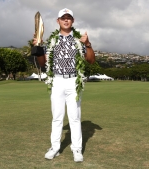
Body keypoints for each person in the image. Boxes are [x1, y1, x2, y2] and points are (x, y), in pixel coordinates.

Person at [33, 8, 95, 162]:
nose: (66, 20)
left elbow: (91, 60)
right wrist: (38, 48)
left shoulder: (79, 40)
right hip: (57, 81)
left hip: (74, 80)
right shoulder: (52, 41)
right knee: (57, 117)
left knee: (74, 117)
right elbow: (43, 63)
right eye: (63, 18)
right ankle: (54, 148)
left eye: (69, 18)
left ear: (72, 21)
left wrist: (87, 44)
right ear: (58, 21)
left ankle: (77, 149)